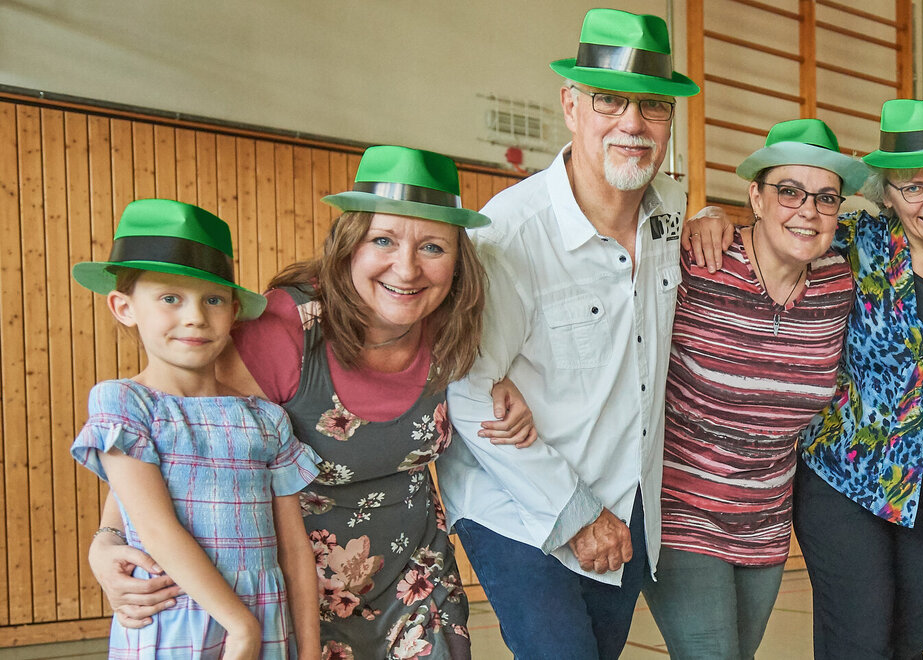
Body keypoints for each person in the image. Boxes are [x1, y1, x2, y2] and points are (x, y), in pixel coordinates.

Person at [91, 145, 514, 660]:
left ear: (457, 260)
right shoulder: (286, 327)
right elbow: (182, 432)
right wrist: (108, 536)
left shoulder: (459, 321)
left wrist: (506, 384)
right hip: (292, 591)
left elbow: (509, 372)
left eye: (433, 247)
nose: (407, 269)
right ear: (349, 246)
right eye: (383, 240)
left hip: (416, 584)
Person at [435, 9, 705, 658]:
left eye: (653, 107)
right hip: (519, 503)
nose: (632, 124)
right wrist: (576, 512)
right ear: (570, 106)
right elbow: (469, 395)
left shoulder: (669, 224)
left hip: (624, 494)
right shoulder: (510, 236)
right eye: (609, 100)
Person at [644, 119, 862, 659]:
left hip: (766, 521)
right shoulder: (698, 262)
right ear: (756, 197)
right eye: (788, 191)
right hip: (682, 507)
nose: (807, 210)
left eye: (826, 198)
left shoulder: (838, 281)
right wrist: (703, 216)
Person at [789, 95, 923, 660]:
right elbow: (776, 234)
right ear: (886, 191)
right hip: (846, 474)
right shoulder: (855, 238)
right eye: (912, 187)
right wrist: (711, 218)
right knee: (860, 636)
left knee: (915, 633)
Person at [70, 199, 321, 659]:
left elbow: (295, 549)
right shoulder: (123, 403)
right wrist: (239, 626)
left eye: (213, 299)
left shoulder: (266, 419)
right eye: (170, 298)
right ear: (124, 307)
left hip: (267, 618)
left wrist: (306, 650)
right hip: (171, 618)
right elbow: (155, 527)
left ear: (233, 311)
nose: (195, 317)